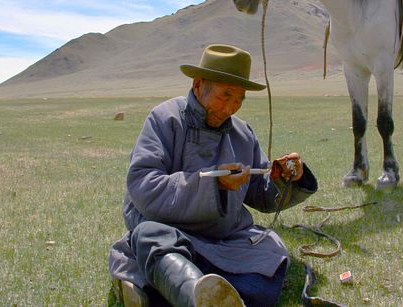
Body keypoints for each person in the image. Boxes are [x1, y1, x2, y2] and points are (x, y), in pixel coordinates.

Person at [108, 44, 318, 307]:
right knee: (149, 237)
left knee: (271, 251)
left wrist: (283, 178)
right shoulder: (165, 119)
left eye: (239, 98)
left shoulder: (242, 134)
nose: (230, 107)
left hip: (225, 237)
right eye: (225, 95)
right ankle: (199, 298)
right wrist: (213, 184)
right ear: (198, 85)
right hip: (170, 232)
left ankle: (166, 292)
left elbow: (259, 193)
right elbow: (142, 184)